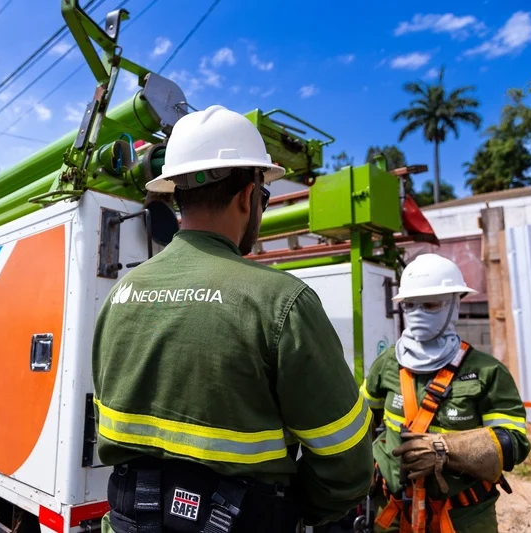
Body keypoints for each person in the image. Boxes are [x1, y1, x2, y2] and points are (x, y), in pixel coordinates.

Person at [92, 105, 374, 533]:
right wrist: (296, 513)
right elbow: (346, 464)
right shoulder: (282, 301)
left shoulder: (120, 295)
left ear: (176, 196)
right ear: (247, 197)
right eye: (263, 197)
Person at [361, 253, 530, 533]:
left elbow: (515, 444)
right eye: (410, 305)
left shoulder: (487, 372)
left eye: (430, 305)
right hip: (392, 515)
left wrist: (447, 451)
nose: (417, 314)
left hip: (463, 519)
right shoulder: (387, 364)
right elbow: (362, 422)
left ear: (455, 304)